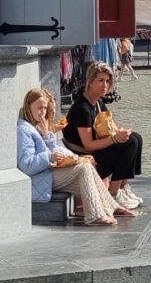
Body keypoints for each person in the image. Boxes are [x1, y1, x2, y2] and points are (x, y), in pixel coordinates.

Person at [17, 88, 132, 226]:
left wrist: (77, 156)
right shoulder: (24, 129)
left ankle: (110, 205)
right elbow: (26, 165)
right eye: (39, 108)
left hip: (47, 172)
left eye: (45, 108)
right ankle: (95, 215)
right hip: (40, 178)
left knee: (86, 165)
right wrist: (48, 156)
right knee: (83, 169)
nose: (43, 112)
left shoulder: (37, 125)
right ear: (28, 107)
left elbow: (54, 150)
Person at [63, 62, 144, 210]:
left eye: (107, 81)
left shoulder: (98, 102)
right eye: (100, 81)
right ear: (90, 82)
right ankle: (112, 194)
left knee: (135, 138)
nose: (105, 85)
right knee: (130, 143)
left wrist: (121, 133)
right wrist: (114, 139)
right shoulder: (82, 108)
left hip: (95, 154)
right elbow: (88, 145)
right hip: (85, 160)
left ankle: (122, 187)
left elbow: (111, 125)